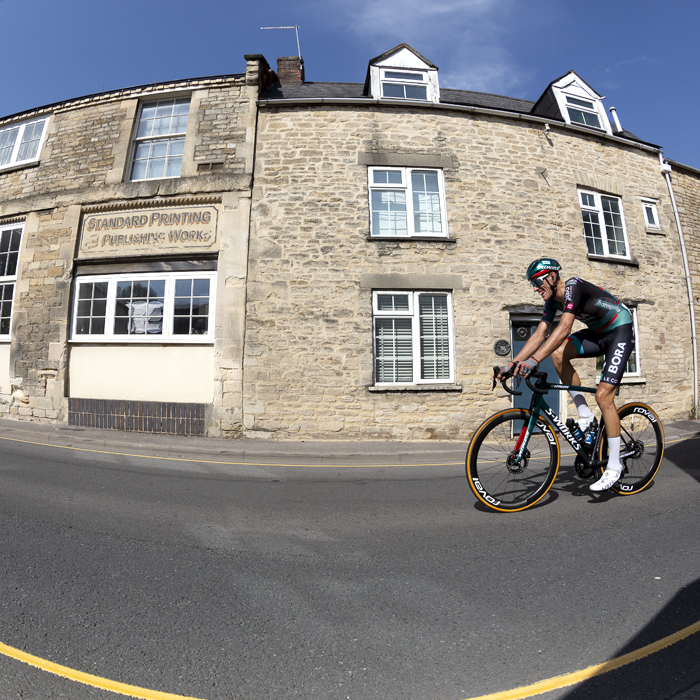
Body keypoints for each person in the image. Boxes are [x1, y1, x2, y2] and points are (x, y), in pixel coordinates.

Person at [495, 257, 635, 492]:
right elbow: (540, 335)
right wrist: (512, 364)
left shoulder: (572, 287)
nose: (535, 288)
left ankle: (614, 466)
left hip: (619, 329)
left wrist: (534, 361)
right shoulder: (552, 303)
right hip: (598, 334)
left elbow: (565, 328)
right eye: (532, 283)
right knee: (559, 354)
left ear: (552, 276)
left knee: (603, 396)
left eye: (537, 282)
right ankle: (585, 415)